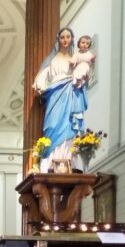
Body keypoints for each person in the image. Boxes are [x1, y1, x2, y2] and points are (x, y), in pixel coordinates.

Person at [33, 28, 90, 172]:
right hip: (54, 94)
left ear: (72, 39)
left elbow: (84, 75)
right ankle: (50, 159)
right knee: (52, 125)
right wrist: (39, 84)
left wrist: (81, 77)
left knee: (69, 125)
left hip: (70, 94)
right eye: (62, 37)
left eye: (68, 37)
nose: (65, 40)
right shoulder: (53, 59)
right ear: (58, 39)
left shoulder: (75, 59)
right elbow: (43, 75)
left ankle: (67, 159)